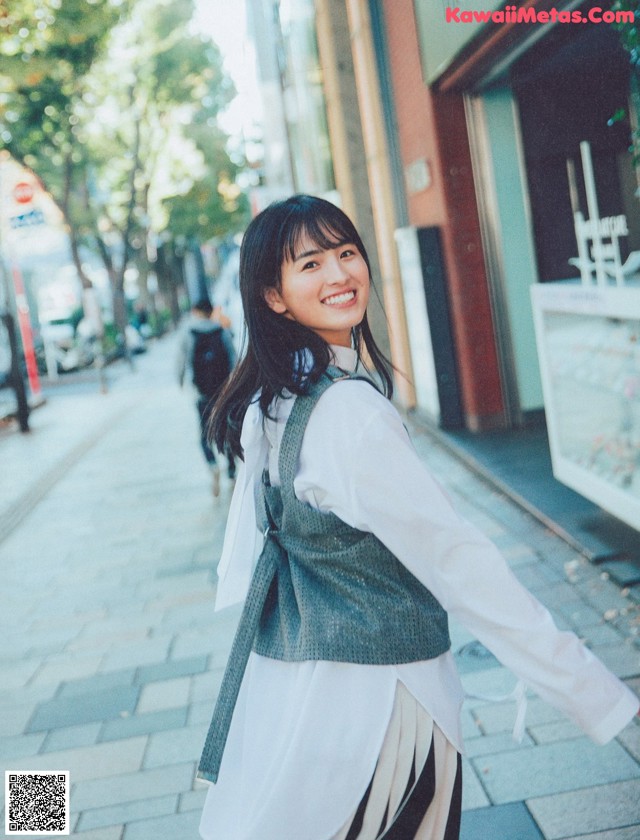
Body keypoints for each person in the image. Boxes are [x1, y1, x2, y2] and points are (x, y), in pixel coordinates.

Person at [196, 195, 638, 840]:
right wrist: (593, 693)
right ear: (274, 296)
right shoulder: (348, 414)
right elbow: (460, 562)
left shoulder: (278, 398)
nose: (340, 274)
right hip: (384, 706)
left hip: (304, 698)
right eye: (311, 263)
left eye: (347, 253)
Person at [178, 298, 236, 495]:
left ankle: (213, 465)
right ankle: (232, 470)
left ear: (195, 311)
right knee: (226, 430)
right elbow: (233, 359)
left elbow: (182, 360)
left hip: (201, 392)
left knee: (204, 433)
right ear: (210, 311)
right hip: (223, 391)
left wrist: (181, 381)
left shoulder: (188, 332)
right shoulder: (221, 331)